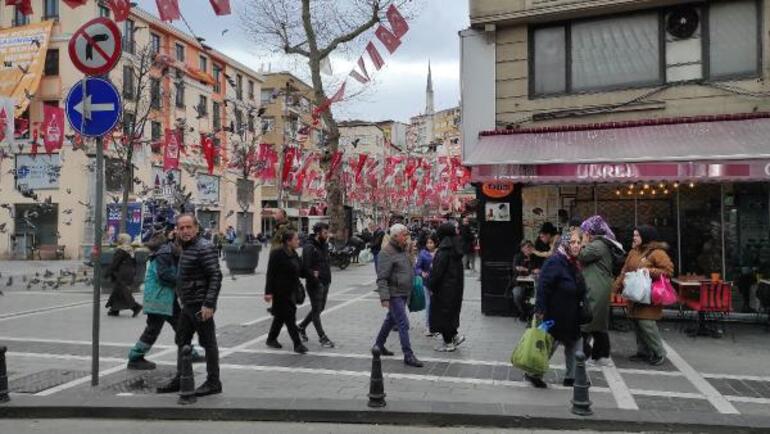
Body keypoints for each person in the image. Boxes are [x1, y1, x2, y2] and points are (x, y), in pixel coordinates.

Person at [156, 214, 223, 397]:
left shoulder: (204, 247)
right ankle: (182, 376)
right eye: (181, 228)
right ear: (176, 230)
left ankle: (213, 381)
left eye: (188, 227)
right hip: (188, 303)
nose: (185, 231)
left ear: (196, 228)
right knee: (182, 340)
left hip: (200, 304)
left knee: (208, 343)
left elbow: (215, 276)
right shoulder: (186, 247)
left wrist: (209, 303)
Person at [127, 230, 204, 370]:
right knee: (157, 329)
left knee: (177, 326)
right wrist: (183, 279)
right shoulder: (164, 254)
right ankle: (135, 357)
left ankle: (188, 351)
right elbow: (164, 275)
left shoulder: (167, 253)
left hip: (163, 297)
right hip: (160, 298)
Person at [527, 228, 586, 389]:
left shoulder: (573, 262)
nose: (576, 246)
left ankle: (572, 377)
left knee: (574, 342)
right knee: (548, 344)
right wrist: (540, 311)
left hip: (571, 313)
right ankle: (534, 373)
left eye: (579, 243)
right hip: (555, 314)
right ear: (565, 243)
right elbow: (543, 287)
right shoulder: (555, 261)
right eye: (572, 242)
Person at [615, 225, 674, 366]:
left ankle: (659, 352)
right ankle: (643, 352)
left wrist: (649, 270)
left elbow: (668, 271)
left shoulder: (657, 253)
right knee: (637, 323)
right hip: (635, 295)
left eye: (637, 235)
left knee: (647, 324)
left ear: (645, 237)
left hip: (648, 295)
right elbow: (624, 271)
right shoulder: (633, 252)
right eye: (634, 235)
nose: (633, 238)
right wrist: (616, 287)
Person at [373, 223, 423, 367]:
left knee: (390, 320)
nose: (407, 238)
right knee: (403, 323)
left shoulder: (403, 250)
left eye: (407, 235)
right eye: (404, 235)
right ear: (395, 236)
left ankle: (378, 345)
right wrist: (384, 297)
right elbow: (382, 277)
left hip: (404, 292)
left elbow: (409, 268)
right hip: (394, 293)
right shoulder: (386, 252)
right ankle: (408, 355)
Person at [578, 215, 622, 366]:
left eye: (585, 232)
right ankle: (600, 355)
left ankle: (584, 353)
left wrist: (583, 242)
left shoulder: (597, 245)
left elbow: (582, 256)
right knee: (598, 324)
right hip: (599, 286)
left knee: (587, 322)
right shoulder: (603, 243)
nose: (584, 234)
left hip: (595, 288)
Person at [264, 230, 309, 354]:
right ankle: (297, 344)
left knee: (280, 316)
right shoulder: (277, 253)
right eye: (296, 239)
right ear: (288, 241)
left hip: (292, 290)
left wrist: (313, 275)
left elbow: (301, 270)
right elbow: (270, 273)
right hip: (280, 291)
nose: (298, 241)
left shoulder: (293, 253)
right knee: (289, 317)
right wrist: (268, 292)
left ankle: (271, 339)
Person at [428, 223, 466, 352]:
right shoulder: (456, 248)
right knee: (452, 312)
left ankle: (448, 343)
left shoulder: (444, 250)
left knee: (442, 314)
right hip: (456, 287)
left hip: (443, 289)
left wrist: (430, 284)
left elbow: (437, 272)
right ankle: (454, 336)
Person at [297, 223, 335, 348]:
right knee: (316, 311)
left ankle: (301, 327)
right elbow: (305, 267)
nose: (327, 235)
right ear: (318, 233)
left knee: (318, 309)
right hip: (315, 284)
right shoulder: (309, 247)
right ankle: (322, 337)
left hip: (325, 281)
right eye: (325, 233)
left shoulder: (323, 245)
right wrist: (315, 278)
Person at [105, 233, 142, 317]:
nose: (118, 240)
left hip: (122, 273)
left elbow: (115, 263)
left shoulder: (121, 250)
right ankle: (114, 309)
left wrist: (107, 273)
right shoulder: (130, 249)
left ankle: (135, 307)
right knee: (117, 291)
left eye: (119, 238)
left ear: (121, 240)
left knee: (122, 291)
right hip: (129, 273)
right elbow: (134, 262)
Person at [414, 233, 438, 336]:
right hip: (427, 282)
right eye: (428, 243)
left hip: (438, 282)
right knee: (428, 304)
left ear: (435, 243)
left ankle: (437, 326)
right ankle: (428, 326)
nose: (429, 245)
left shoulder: (439, 252)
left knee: (436, 305)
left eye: (431, 242)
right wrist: (421, 273)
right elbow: (417, 267)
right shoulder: (423, 253)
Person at [511, 240, 538, 321]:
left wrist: (526, 270)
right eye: (527, 247)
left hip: (533, 283)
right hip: (520, 283)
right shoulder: (518, 257)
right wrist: (530, 270)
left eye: (531, 246)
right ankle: (524, 312)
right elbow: (516, 269)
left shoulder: (536, 257)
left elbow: (538, 269)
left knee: (538, 295)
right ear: (522, 248)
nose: (529, 249)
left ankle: (532, 313)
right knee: (517, 294)